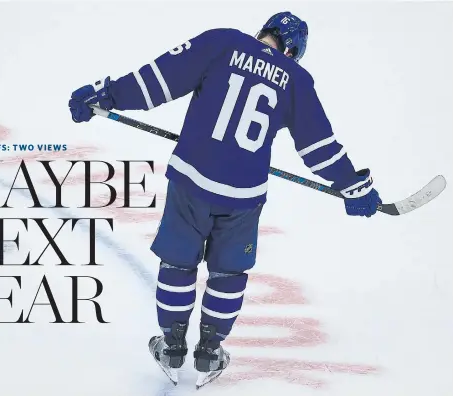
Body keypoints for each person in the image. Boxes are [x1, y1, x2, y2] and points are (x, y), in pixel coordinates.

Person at [69, 11, 382, 389]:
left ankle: (171, 346)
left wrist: (105, 94)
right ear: (295, 50)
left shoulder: (222, 42)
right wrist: (352, 184)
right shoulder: (296, 79)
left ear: (264, 31)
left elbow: (158, 81)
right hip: (243, 197)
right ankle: (210, 350)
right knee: (228, 273)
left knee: (178, 263)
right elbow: (318, 146)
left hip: (190, 181)